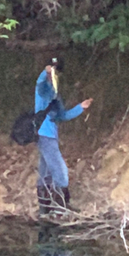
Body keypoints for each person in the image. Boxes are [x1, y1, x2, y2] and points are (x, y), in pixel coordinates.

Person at [35, 57, 93, 215]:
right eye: (53, 71)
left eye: (56, 72)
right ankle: (61, 208)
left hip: (49, 135)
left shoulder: (55, 94)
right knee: (60, 171)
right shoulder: (43, 89)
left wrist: (81, 107)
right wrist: (45, 73)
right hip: (44, 135)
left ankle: (45, 210)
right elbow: (40, 85)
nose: (55, 75)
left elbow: (62, 116)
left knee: (45, 172)